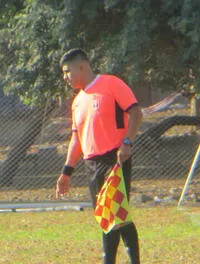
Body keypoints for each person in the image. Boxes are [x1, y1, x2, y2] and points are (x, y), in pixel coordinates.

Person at [55, 48, 143, 264]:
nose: (66, 77)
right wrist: (67, 171)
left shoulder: (111, 84)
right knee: (108, 216)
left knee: (115, 212)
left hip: (115, 159)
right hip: (91, 163)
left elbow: (136, 113)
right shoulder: (77, 101)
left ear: (82, 67)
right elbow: (76, 139)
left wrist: (127, 143)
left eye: (68, 72)